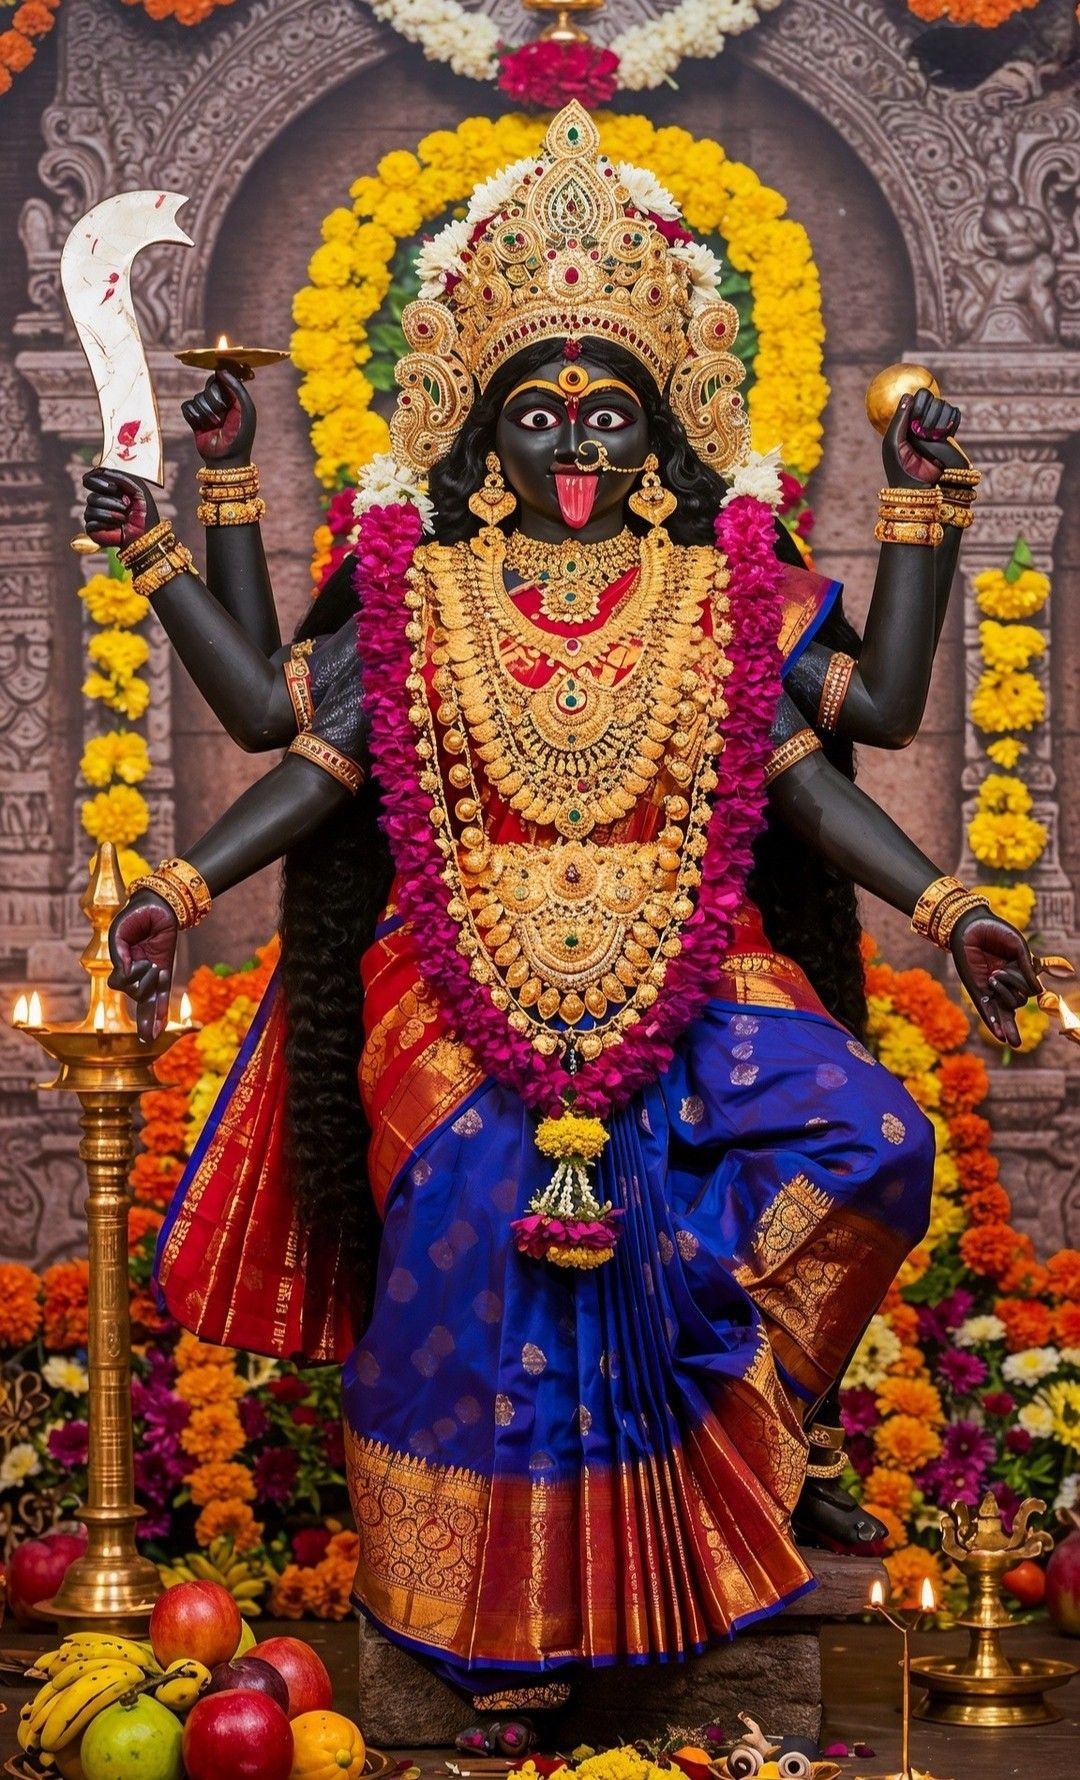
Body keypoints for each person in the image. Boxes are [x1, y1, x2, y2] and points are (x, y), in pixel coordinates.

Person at [83, 105, 1038, 1703]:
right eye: (541, 416)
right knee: (476, 1231)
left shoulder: (719, 592)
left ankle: (747, 1416)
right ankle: (492, 1627)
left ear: (662, 437)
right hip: (458, 974)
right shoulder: (419, 589)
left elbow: (846, 748)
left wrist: (954, 908)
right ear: (480, 433)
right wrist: (181, 888)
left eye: (611, 418)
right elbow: (301, 750)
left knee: (869, 1135)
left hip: (689, 962)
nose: (578, 450)